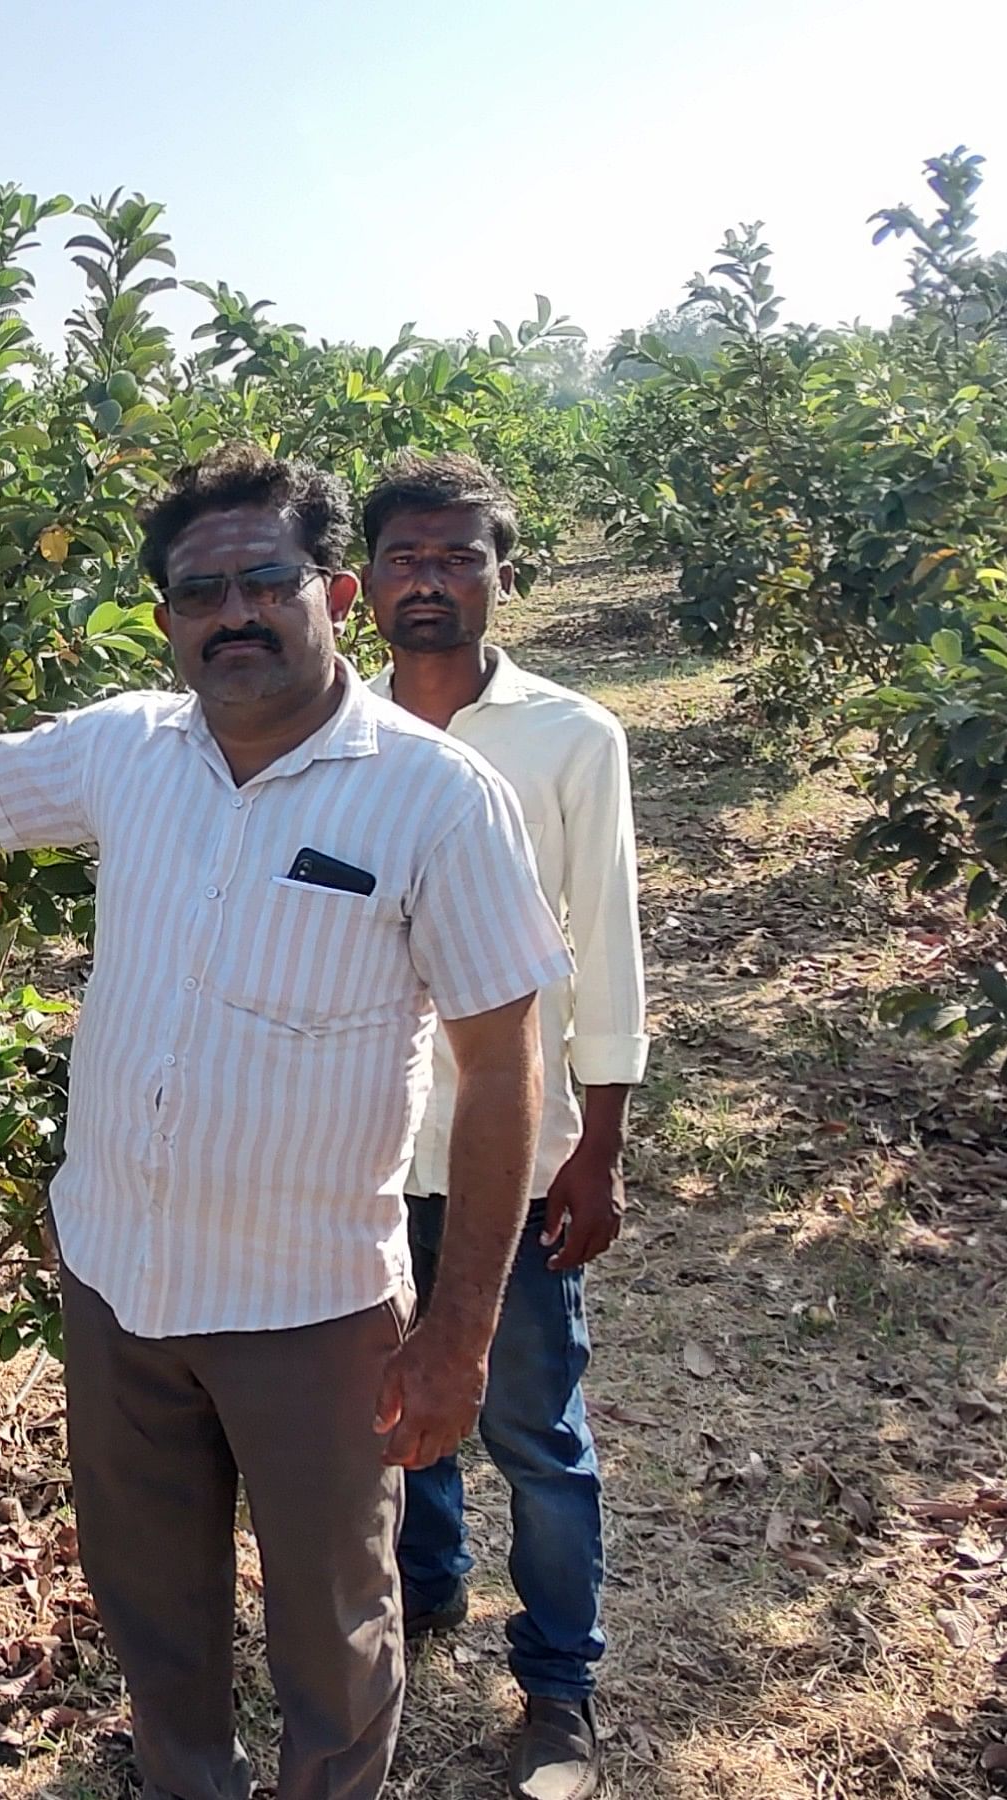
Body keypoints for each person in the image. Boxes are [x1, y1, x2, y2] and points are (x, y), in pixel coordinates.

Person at [0, 449, 570, 1800]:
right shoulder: (129, 749)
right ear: (167, 617)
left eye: (267, 580)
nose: (235, 614)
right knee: (153, 1608)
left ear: (332, 591)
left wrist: (457, 1334)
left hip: (310, 1309)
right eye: (202, 591)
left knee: (335, 1630)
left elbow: (505, 1073)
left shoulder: (436, 798)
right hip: (120, 1286)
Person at [364, 452, 645, 1800]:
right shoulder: (332, 734)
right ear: (361, 585)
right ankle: (423, 1601)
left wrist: (597, 1144)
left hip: (513, 1149)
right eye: (405, 559)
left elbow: (609, 946)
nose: (431, 581)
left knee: (533, 1423)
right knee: (395, 1402)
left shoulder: (571, 737)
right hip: (363, 1146)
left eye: (458, 557)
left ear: (502, 575)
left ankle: (558, 1686)